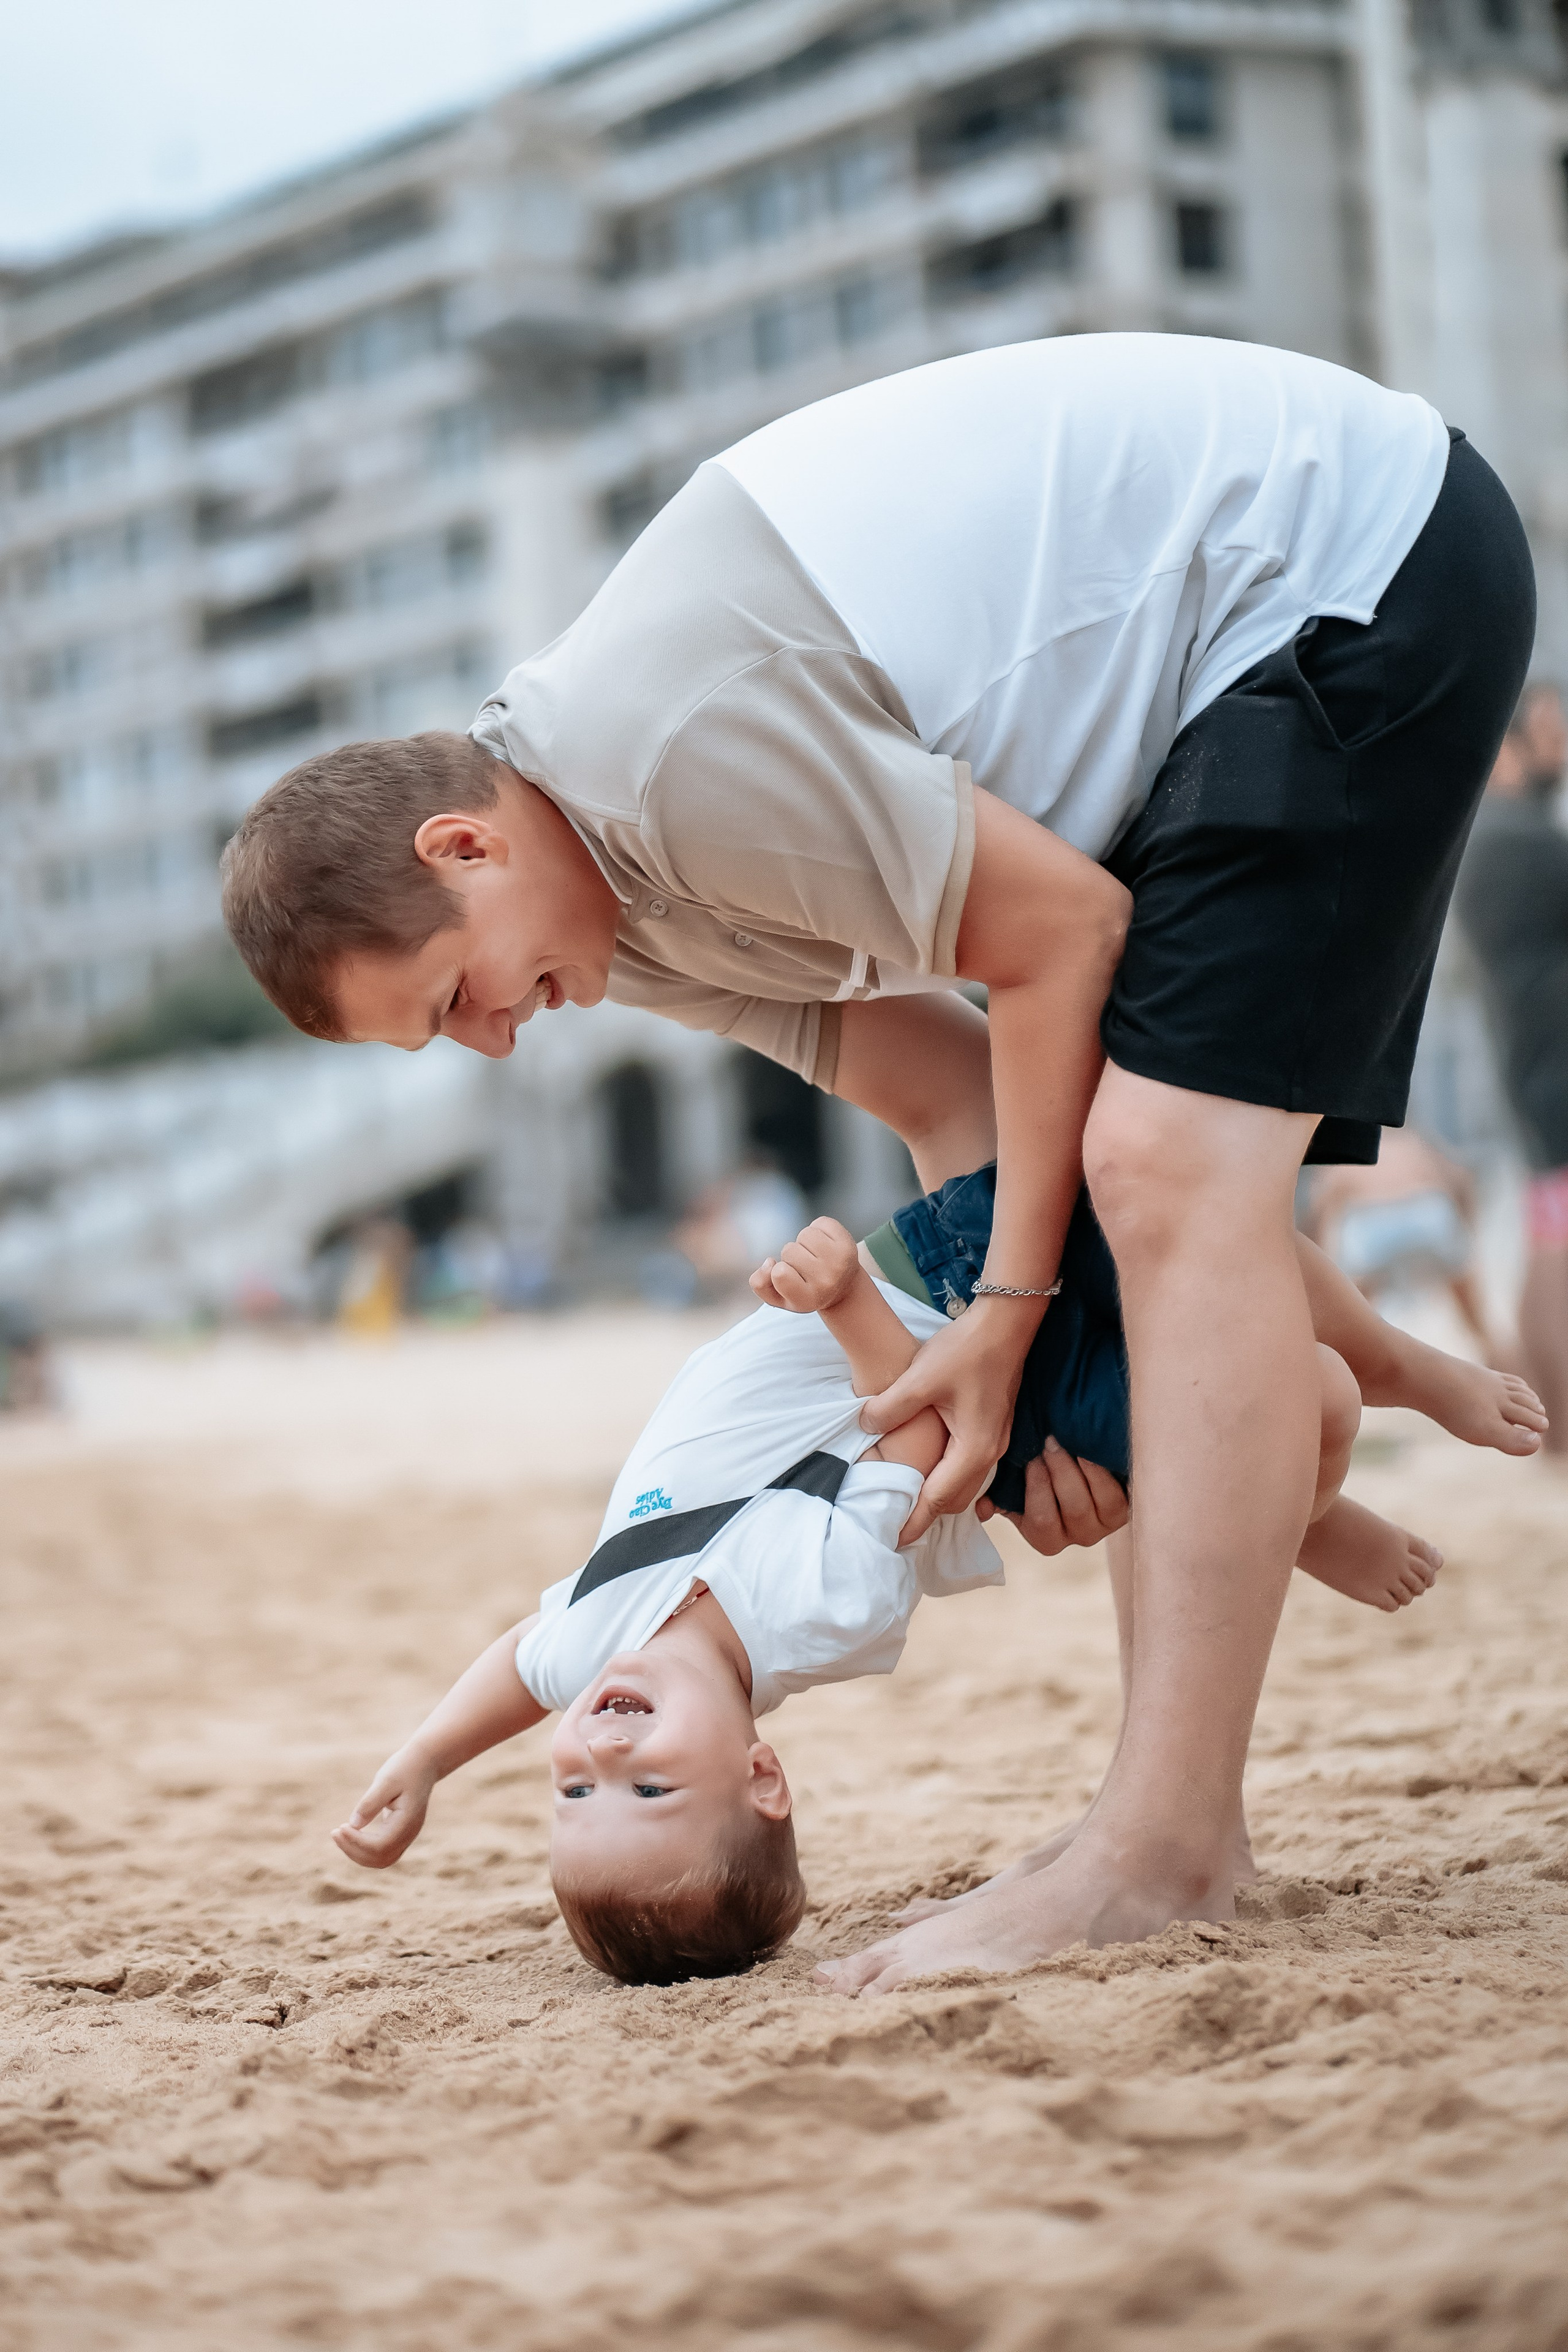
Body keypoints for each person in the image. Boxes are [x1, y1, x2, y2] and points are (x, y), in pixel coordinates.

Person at [225, 334, 1535, 1982]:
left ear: (464, 846)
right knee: (1126, 1197)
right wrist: (1049, 1367)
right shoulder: (631, 916)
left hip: (1342, 561)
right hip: (1245, 639)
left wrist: (1002, 1308)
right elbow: (958, 1099)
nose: (492, 1040)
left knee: (1160, 1166)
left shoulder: (665, 769)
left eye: (453, 996)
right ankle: (1166, 1797)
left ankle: (1168, 1837)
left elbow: (1061, 930)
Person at [332, 1128, 1544, 1989]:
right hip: (949, 1347)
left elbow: (519, 1662)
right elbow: (911, 1425)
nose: (599, 1752)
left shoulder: (595, 1645)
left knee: (1201, 1266)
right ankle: (1378, 1414)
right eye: (646, 1787)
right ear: (761, 1774)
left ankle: (1316, 1484)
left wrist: (429, 1756)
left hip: (946, 1328)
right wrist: (846, 1296)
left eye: (570, 1791)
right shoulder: (816, 1613)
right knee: (1263, 1317)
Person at [1457, 690, 1568, 1450]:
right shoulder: (1517, 839)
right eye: (1549, 734)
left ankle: (1548, 1428)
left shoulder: (1491, 834)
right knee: (1558, 1246)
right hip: (1552, 1069)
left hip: (1531, 1069)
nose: (1559, 751)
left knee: (1547, 1236)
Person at [1303, 1125, 1496, 1359]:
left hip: (1372, 1224)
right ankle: (1512, 1375)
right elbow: (1461, 1178)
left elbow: (1321, 1208)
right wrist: (1468, 1241)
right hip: (1428, 1214)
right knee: (1479, 1323)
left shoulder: (1344, 1150)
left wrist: (1322, 1273)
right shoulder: (1414, 1142)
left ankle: (1357, 1368)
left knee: (1356, 1331)